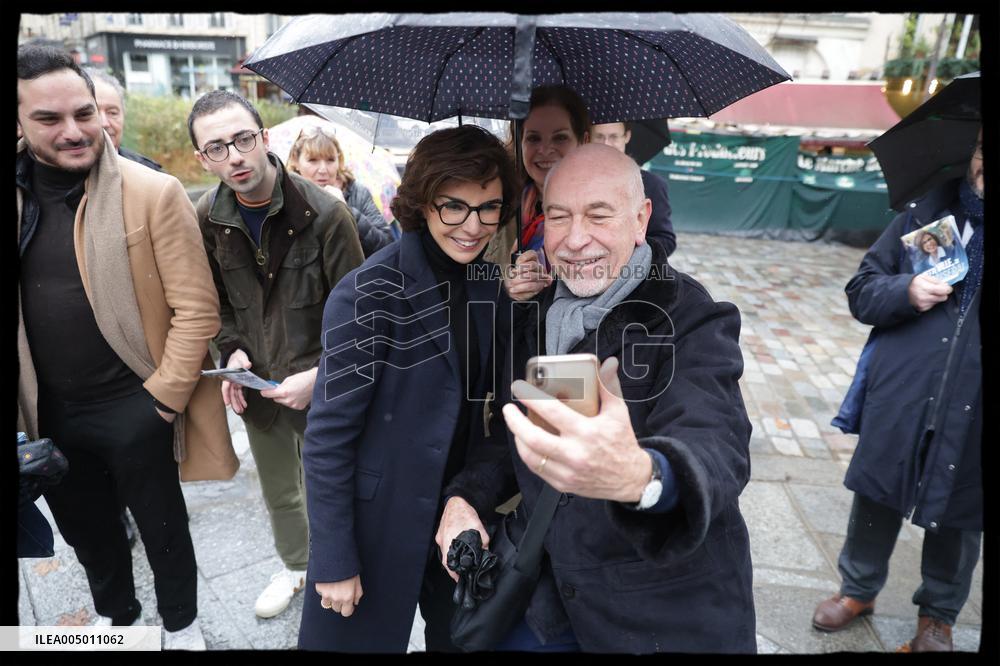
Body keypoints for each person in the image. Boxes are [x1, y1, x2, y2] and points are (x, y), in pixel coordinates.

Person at [438, 144, 756, 653]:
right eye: (559, 216)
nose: (575, 239)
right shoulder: (538, 313)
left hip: (660, 618)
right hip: (546, 602)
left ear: (641, 219)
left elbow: (715, 439)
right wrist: (463, 499)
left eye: (598, 215)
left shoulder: (690, 316)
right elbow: (516, 434)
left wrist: (640, 476)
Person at [17, 45, 238, 650]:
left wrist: (160, 404)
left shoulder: (153, 192)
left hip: (136, 405)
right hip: (49, 416)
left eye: (84, 113)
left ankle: (183, 626)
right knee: (89, 536)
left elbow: (198, 309)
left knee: (164, 531)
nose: (73, 131)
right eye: (48, 119)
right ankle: (119, 623)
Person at [298, 125, 519, 652]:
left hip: (458, 522)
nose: (473, 226)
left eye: (489, 207)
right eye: (454, 207)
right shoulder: (368, 292)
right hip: (376, 524)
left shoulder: (490, 286)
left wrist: (471, 494)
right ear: (422, 203)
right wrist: (333, 558)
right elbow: (327, 436)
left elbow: (498, 408)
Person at [187, 90, 365, 620]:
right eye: (216, 148)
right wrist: (231, 352)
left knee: (333, 487)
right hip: (258, 386)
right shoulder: (207, 217)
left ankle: (341, 569)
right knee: (279, 491)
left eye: (243, 139)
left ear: (264, 138)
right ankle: (294, 567)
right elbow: (216, 301)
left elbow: (361, 319)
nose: (234, 157)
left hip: (323, 386)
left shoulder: (326, 214)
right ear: (202, 159)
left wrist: (322, 377)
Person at [811, 129, 983, 653]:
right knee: (878, 488)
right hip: (903, 388)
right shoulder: (925, 216)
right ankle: (857, 589)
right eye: (984, 150)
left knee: (961, 509)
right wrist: (905, 290)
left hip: (975, 403)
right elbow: (861, 291)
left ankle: (938, 617)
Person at [286, 124, 399, 257]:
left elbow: (387, 248)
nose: (323, 169)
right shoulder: (286, 197)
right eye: (313, 160)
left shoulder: (357, 193)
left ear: (339, 160)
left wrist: (347, 212)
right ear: (296, 161)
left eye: (330, 160)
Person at [591, 121, 676, 256]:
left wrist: (625, 250)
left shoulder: (652, 185)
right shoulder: (575, 182)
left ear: (627, 136)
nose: (606, 144)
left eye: (614, 137)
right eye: (599, 137)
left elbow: (666, 241)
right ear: (588, 138)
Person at [82, 67, 163, 172]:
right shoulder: (63, 177)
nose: (104, 123)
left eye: (112, 113)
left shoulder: (149, 172)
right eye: (93, 113)